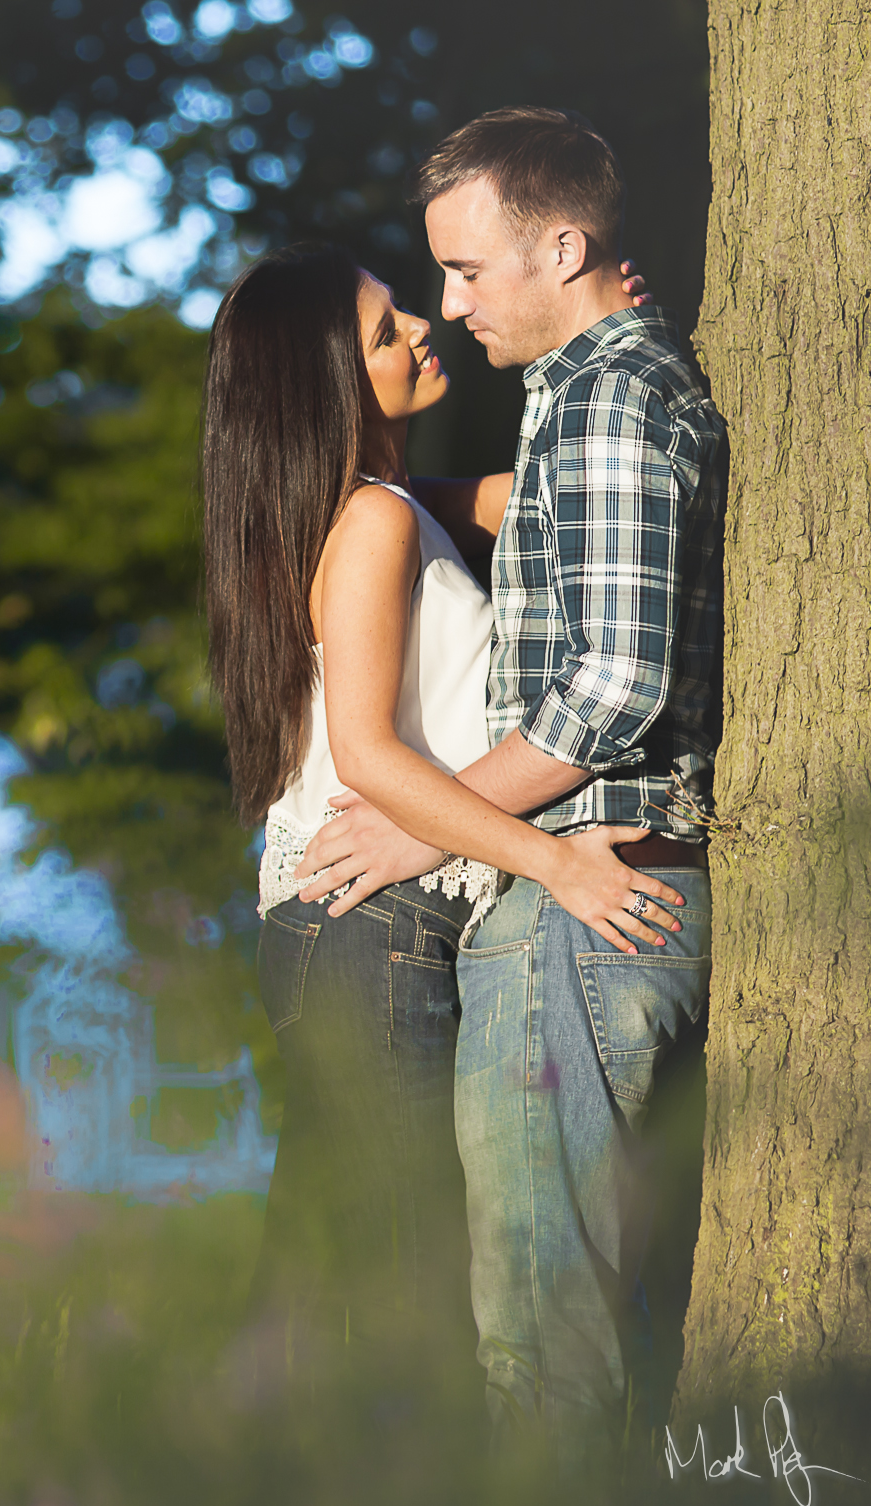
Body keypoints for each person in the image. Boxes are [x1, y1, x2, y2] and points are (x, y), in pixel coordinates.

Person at [296, 107, 725, 1453]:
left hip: (581, 910)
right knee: (582, 1313)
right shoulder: (585, 388)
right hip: (585, 901)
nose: (448, 303)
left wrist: (442, 830)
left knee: (541, 1334)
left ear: (566, 244)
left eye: (470, 271)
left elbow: (615, 684)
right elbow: (489, 506)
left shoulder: (607, 391)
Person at [203, 241, 677, 1400]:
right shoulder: (368, 521)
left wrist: (614, 333)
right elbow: (368, 751)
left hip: (362, 926)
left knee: (333, 1274)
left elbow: (550, 487)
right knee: (401, 1285)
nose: (422, 326)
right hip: (374, 925)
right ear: (330, 386)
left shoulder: (395, 506)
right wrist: (554, 864)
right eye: (382, 331)